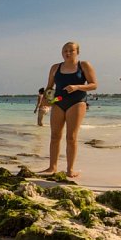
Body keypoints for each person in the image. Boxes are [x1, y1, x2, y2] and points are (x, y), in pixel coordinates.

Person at [38, 41, 97, 178]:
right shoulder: (55, 67)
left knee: (71, 137)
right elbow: (49, 87)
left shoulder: (84, 65)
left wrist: (77, 87)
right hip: (58, 102)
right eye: (65, 51)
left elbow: (94, 85)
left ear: (78, 52)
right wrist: (46, 100)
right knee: (55, 136)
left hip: (77, 102)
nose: (67, 53)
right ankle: (52, 167)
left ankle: (70, 169)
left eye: (71, 50)